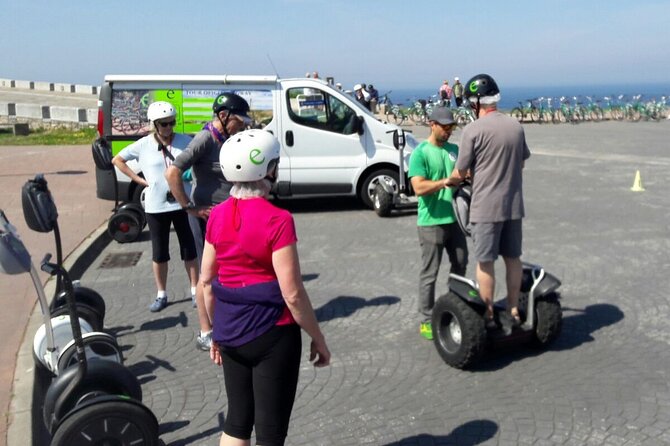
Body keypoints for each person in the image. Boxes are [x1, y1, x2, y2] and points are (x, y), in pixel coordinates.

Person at [200, 129, 330, 446]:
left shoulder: (216, 215)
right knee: (270, 433)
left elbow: (205, 281)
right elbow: (293, 293)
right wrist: (317, 336)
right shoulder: (278, 219)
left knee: (237, 421)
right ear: (268, 170)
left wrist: (212, 331)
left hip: (229, 331)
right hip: (272, 333)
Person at [445, 73, 531, 334]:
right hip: (514, 205)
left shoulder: (473, 130)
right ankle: (514, 309)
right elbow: (522, 161)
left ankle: (490, 313)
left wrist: (449, 182)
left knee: (485, 262)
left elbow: (461, 173)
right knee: (513, 258)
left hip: (485, 208)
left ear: (477, 102)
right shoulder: (516, 126)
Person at [165, 92, 252, 350]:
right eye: (240, 119)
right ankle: (206, 331)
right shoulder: (205, 138)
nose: (243, 124)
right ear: (223, 116)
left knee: (226, 272)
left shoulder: (227, 137)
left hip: (227, 214)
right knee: (207, 276)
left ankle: (225, 320)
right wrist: (189, 207)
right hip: (207, 218)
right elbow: (172, 172)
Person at [112, 101, 198, 313]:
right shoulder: (143, 145)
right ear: (154, 124)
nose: (169, 128)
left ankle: (195, 290)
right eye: (164, 124)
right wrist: (139, 180)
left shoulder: (185, 141)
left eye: (172, 122)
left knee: (189, 249)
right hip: (156, 207)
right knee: (160, 253)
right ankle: (162, 294)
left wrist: (191, 176)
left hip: (182, 204)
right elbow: (118, 160)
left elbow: (198, 162)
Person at [408, 106, 468, 340]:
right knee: (429, 272)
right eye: (445, 127)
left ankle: (455, 307)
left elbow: (465, 174)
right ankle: (426, 318)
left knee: (461, 264)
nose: (449, 131)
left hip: (456, 220)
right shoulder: (420, 153)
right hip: (431, 222)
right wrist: (445, 182)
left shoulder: (454, 149)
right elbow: (419, 187)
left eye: (452, 127)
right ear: (432, 124)